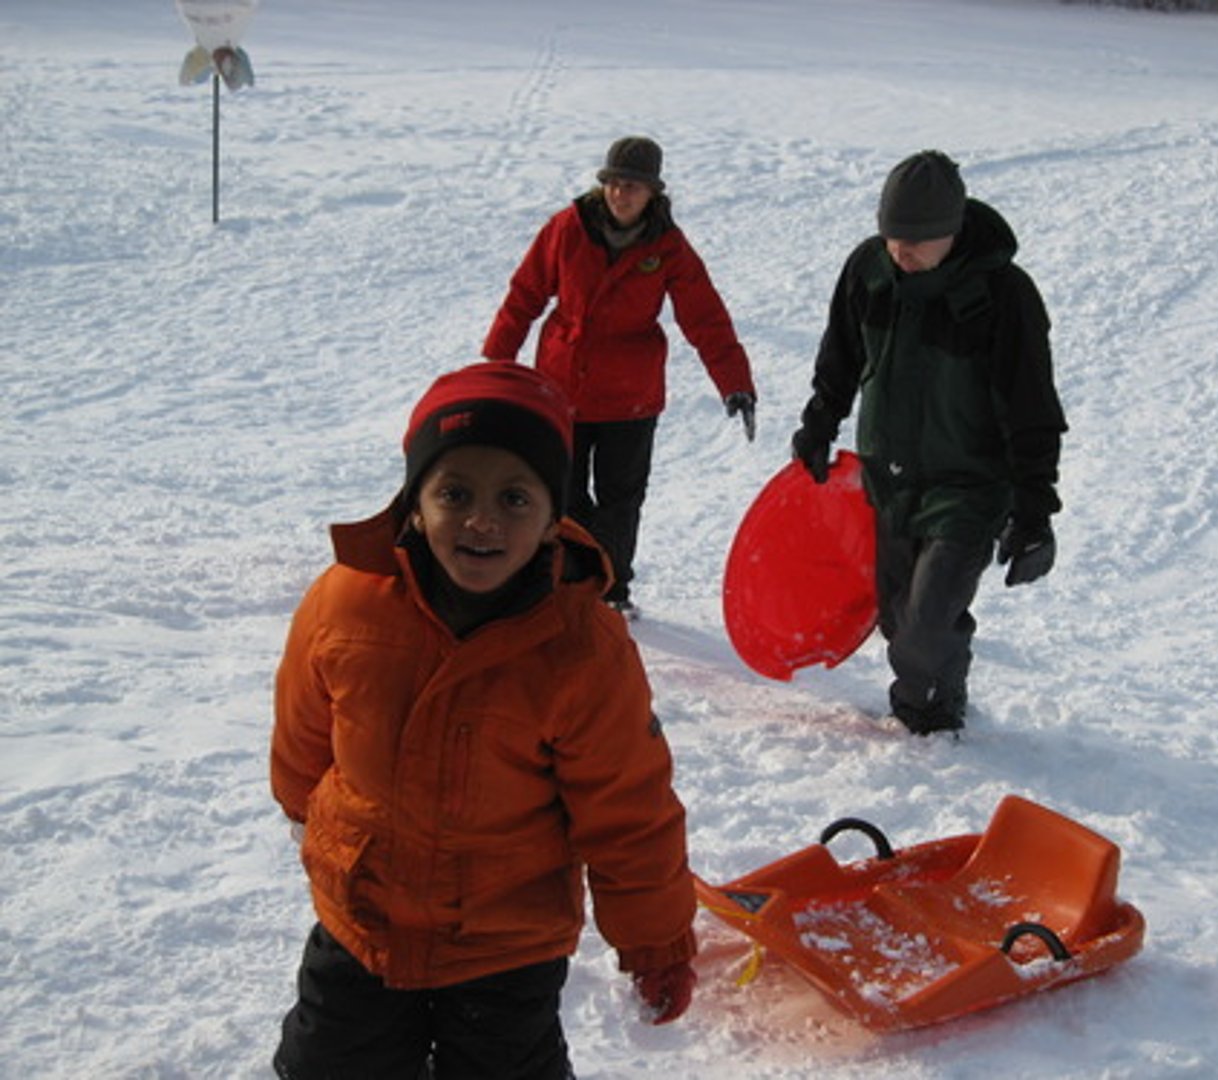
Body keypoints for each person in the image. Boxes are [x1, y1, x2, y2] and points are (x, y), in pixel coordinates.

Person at [270, 363, 697, 1079]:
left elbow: (629, 809)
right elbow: (303, 727)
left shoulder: (581, 646)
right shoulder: (347, 602)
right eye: (455, 493)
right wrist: (302, 811)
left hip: (505, 940)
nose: (483, 519)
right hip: (363, 917)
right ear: (413, 503)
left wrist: (655, 943)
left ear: (553, 516)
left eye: (515, 497)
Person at [791, 150, 1068, 736]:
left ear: (954, 230)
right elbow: (840, 356)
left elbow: (1032, 409)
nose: (900, 252)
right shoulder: (869, 270)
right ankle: (930, 691)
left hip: (968, 484)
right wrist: (820, 423)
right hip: (889, 476)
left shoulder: (1004, 296)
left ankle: (933, 721)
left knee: (926, 623)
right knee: (896, 617)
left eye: (916, 241)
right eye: (892, 237)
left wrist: (1034, 511)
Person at [482, 135, 757, 618]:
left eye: (632, 187)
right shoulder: (567, 228)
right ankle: (571, 577)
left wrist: (734, 381)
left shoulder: (668, 246)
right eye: (613, 183)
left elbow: (705, 316)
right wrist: (496, 367)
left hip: (631, 396)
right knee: (559, 492)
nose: (620, 194)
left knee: (621, 500)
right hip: (562, 386)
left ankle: (612, 589)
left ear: (653, 193)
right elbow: (524, 295)